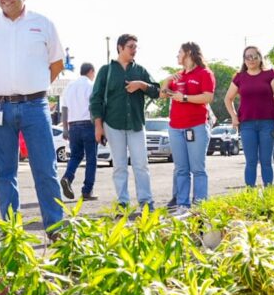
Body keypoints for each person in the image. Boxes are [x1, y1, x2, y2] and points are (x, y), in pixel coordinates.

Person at [0, 0, 65, 236]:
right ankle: (12, 228)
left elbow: (57, 62)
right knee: (4, 171)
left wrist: (35, 83)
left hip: (35, 105)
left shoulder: (43, 24)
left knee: (45, 168)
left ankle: (55, 227)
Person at [90, 35, 161, 210]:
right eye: (130, 46)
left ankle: (146, 202)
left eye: (136, 47)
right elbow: (95, 100)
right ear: (120, 48)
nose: (134, 50)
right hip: (112, 124)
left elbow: (157, 91)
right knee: (119, 166)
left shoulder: (140, 70)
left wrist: (141, 85)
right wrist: (98, 126)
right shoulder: (106, 71)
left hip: (136, 124)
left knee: (141, 165)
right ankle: (123, 202)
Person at [162, 42, 215, 211]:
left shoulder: (204, 73)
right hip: (175, 128)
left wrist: (184, 98)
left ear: (189, 53)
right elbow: (163, 95)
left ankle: (200, 205)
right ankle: (182, 205)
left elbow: (208, 97)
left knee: (198, 168)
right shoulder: (178, 76)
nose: (177, 55)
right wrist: (167, 80)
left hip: (196, 126)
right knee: (181, 169)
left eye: (179, 52)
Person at [225, 46, 274, 191]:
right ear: (244, 60)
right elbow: (228, 98)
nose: (251, 60)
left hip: (268, 124)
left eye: (254, 56)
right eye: (247, 57)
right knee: (250, 161)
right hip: (247, 125)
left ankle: (268, 193)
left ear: (260, 57)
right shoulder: (239, 77)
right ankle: (250, 193)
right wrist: (233, 116)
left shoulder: (269, 74)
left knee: (266, 161)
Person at [59, 62, 98, 201]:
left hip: (73, 126)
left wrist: (65, 128)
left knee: (75, 156)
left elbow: (64, 108)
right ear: (91, 71)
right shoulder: (91, 85)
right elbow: (94, 107)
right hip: (88, 125)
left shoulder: (70, 86)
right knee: (91, 159)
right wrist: (99, 127)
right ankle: (87, 191)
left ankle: (67, 178)